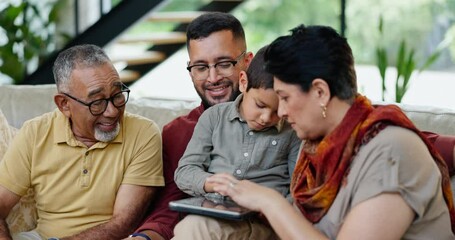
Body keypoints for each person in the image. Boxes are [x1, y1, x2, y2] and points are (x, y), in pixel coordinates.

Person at [211, 25, 455, 239]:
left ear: (320, 92)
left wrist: (269, 201)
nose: (282, 112)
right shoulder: (315, 150)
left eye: (284, 98)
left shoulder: (393, 149)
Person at [0, 44, 164, 240]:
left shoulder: (143, 134)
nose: (112, 111)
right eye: (97, 102)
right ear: (64, 105)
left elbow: (122, 224)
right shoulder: (35, 133)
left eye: (117, 95)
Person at [128, 12, 253, 240]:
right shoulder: (178, 132)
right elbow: (168, 211)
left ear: (248, 61)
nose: (213, 78)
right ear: (190, 69)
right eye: (201, 67)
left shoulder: (282, 119)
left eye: (224, 64)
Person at [172, 46, 301, 239]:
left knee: (192, 229)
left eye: (277, 111)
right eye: (260, 105)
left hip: (264, 223)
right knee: (192, 227)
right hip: (218, 214)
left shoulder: (292, 131)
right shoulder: (213, 118)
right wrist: (210, 182)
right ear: (243, 82)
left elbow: (298, 190)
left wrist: (270, 205)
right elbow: (184, 172)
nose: (266, 118)